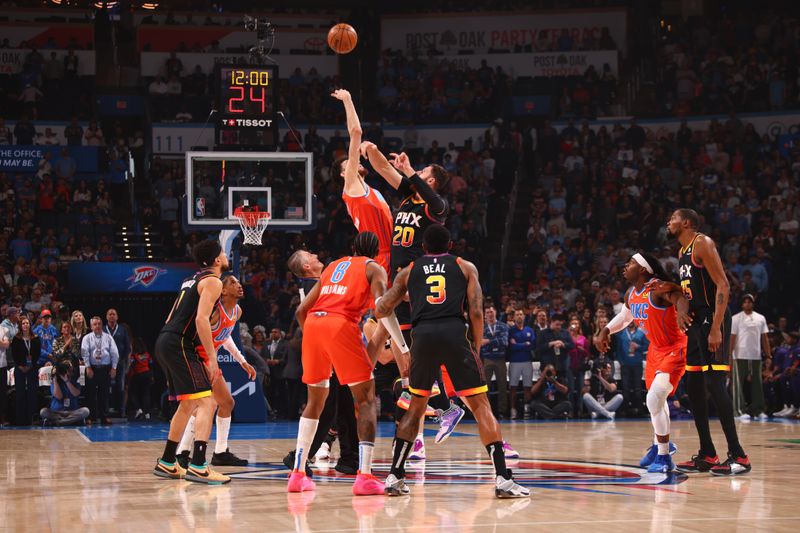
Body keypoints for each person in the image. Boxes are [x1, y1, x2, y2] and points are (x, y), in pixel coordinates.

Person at [376, 224, 529, 499]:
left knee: (416, 407)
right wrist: (476, 347)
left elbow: (382, 307)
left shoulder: (408, 271)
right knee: (481, 406)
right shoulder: (465, 266)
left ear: (423, 247)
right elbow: (476, 310)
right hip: (454, 334)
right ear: (450, 246)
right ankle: (504, 479)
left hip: (422, 337)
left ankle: (395, 475)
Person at [362, 139, 463, 455]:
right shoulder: (408, 195)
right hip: (399, 281)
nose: (414, 173)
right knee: (409, 352)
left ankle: (431, 408)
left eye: (422, 172)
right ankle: (444, 407)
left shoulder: (436, 207)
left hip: (416, 282)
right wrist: (369, 149)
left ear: (430, 181)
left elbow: (435, 199)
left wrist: (408, 171)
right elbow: (381, 168)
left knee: (396, 326)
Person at [289, 232, 403, 496]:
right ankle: (364, 475)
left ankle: (297, 474)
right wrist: (404, 347)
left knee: (314, 402)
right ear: (376, 252)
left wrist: (320, 342)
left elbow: (300, 311)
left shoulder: (332, 266)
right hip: (340, 324)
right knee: (365, 400)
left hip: (314, 324)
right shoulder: (374, 268)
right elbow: (382, 308)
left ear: (352, 247)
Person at [668, 208, 750, 475]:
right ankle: (708, 453)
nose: (669, 222)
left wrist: (716, 327)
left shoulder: (702, 243)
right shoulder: (681, 253)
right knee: (693, 387)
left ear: (687, 222)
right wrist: (681, 308)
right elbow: (687, 291)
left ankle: (739, 456)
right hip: (696, 321)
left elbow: (723, 285)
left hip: (713, 319)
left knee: (715, 384)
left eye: (673, 218)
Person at [596, 251, 690, 473]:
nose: (625, 266)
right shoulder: (631, 293)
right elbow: (626, 317)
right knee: (656, 403)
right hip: (656, 350)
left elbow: (679, 297)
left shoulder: (656, 288)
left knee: (654, 398)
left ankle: (665, 457)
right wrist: (606, 330)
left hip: (675, 348)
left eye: (630, 263)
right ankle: (660, 446)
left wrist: (681, 313)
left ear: (643, 270)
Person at [152, 239, 231, 484]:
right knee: (208, 402)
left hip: (165, 340)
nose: (226, 256)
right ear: (217, 260)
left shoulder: (190, 280)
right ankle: (198, 464)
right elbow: (201, 320)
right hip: (179, 343)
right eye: (223, 253)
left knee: (187, 405)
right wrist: (212, 358)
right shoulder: (213, 281)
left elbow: (170, 315)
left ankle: (167, 461)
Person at [282, 249, 362, 477]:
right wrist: (319, 346)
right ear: (306, 267)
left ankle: (350, 458)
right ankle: (301, 455)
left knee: (344, 405)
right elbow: (301, 314)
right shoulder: (313, 285)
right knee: (327, 408)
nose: (317, 256)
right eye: (312, 257)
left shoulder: (321, 281)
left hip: (329, 349)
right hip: (326, 351)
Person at [175, 274, 256, 468]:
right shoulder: (214, 312)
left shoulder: (237, 311)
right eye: (233, 283)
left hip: (210, 362)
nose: (239, 285)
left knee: (226, 403)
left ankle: (220, 452)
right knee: (202, 405)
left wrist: (242, 361)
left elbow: (226, 337)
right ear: (224, 290)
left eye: (239, 282)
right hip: (196, 358)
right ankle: (182, 452)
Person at [730, 294, 770, 420]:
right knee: (738, 384)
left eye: (750, 302)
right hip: (740, 355)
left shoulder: (761, 318)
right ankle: (739, 411)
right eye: (745, 302)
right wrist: (729, 355)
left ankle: (759, 410)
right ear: (742, 304)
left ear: (753, 303)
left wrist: (768, 355)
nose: (747, 304)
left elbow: (764, 338)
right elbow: (732, 338)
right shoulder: (735, 318)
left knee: (757, 384)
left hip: (756, 355)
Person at [80, 316, 119, 425]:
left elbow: (114, 353)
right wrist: (88, 367)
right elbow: (85, 353)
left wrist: (114, 367)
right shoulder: (87, 338)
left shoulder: (108, 337)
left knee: (104, 394)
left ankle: (104, 417)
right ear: (91, 326)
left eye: (99, 324)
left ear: (102, 325)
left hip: (105, 368)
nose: (97, 326)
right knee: (90, 394)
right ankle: (91, 417)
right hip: (92, 368)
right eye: (95, 324)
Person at [40, 360, 89, 426]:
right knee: (43, 412)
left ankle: (58, 422)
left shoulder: (75, 380)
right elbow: (59, 396)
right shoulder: (55, 382)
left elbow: (76, 393)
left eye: (69, 369)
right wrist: (55, 380)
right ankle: (70, 421)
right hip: (57, 412)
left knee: (85, 411)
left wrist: (67, 381)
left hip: (72, 411)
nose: (67, 372)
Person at [11, 317, 40, 425]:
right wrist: (20, 366)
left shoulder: (36, 338)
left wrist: (30, 366)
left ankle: (31, 419)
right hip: (19, 368)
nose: (25, 325)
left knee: (32, 393)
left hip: (32, 368)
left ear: (30, 325)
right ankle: (20, 420)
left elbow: (37, 354)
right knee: (20, 393)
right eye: (23, 323)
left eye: (27, 323)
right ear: (20, 325)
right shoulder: (16, 338)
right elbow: (14, 354)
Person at [481, 305, 509, 418]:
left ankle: (502, 411)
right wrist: (493, 342)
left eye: (491, 312)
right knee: (484, 387)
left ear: (496, 312)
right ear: (485, 315)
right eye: (487, 312)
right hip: (487, 359)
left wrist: (487, 341)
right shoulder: (482, 327)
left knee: (502, 386)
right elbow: (480, 344)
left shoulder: (503, 326)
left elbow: (504, 342)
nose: (490, 314)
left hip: (500, 359)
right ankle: (486, 411)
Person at [615, 321, 649, 414]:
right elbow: (618, 350)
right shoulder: (621, 333)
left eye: (632, 320)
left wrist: (638, 347)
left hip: (637, 363)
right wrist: (621, 362)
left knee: (637, 387)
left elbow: (647, 346)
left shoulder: (642, 331)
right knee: (625, 387)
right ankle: (625, 409)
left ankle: (640, 409)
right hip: (625, 364)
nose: (631, 322)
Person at [508, 309, 535, 420]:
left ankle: (526, 409)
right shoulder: (511, 331)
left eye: (521, 314)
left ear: (524, 317)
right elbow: (511, 347)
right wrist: (524, 344)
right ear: (514, 317)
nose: (519, 316)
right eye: (517, 315)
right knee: (513, 387)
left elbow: (532, 345)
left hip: (527, 361)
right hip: (514, 362)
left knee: (527, 387)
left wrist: (518, 345)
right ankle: (513, 410)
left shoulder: (530, 330)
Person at [104, 308, 132, 416]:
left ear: (117, 317)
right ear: (106, 317)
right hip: (106, 363)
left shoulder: (122, 329)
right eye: (109, 314)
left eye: (113, 314)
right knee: (106, 386)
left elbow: (127, 346)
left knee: (120, 386)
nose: (111, 316)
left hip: (120, 363)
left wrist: (124, 359)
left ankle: (121, 410)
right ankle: (105, 410)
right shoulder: (103, 329)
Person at [127, 337, 153, 421]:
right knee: (146, 394)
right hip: (147, 374)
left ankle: (138, 409)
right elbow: (151, 364)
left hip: (137, 375)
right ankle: (147, 413)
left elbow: (132, 365)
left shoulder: (133, 355)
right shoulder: (147, 354)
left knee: (132, 392)